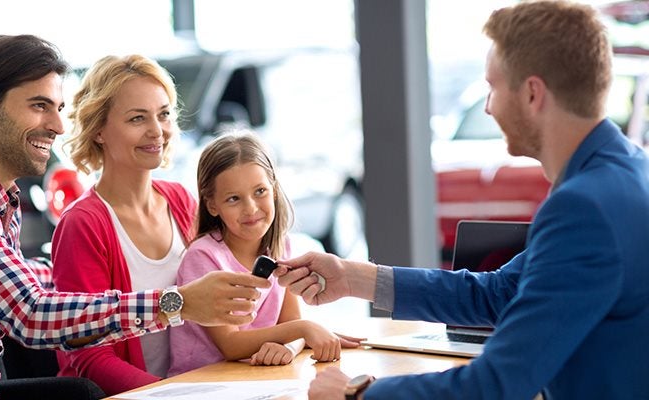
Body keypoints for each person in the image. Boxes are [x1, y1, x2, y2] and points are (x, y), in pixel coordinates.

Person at [0, 35, 270, 399]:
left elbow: (18, 279)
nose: (57, 125)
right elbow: (30, 314)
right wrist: (178, 302)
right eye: (39, 106)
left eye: (58, 108)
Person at [275, 2, 649, 399]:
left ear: (532, 94)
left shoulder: (586, 207)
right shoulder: (624, 172)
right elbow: (500, 293)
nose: (488, 106)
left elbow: (498, 384)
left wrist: (357, 393)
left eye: (493, 87)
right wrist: (354, 278)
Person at [49, 54, 196, 394]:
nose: (157, 131)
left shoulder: (182, 201)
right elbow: (91, 358)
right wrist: (173, 394)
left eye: (164, 114)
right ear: (98, 129)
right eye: (137, 118)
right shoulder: (83, 224)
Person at [168, 132, 362, 376]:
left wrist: (289, 347)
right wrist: (304, 330)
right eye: (234, 198)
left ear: (274, 189)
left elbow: (290, 323)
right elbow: (231, 345)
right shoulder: (203, 257)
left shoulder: (281, 247)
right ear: (212, 205)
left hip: (256, 379)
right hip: (200, 384)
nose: (250, 208)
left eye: (260, 191)